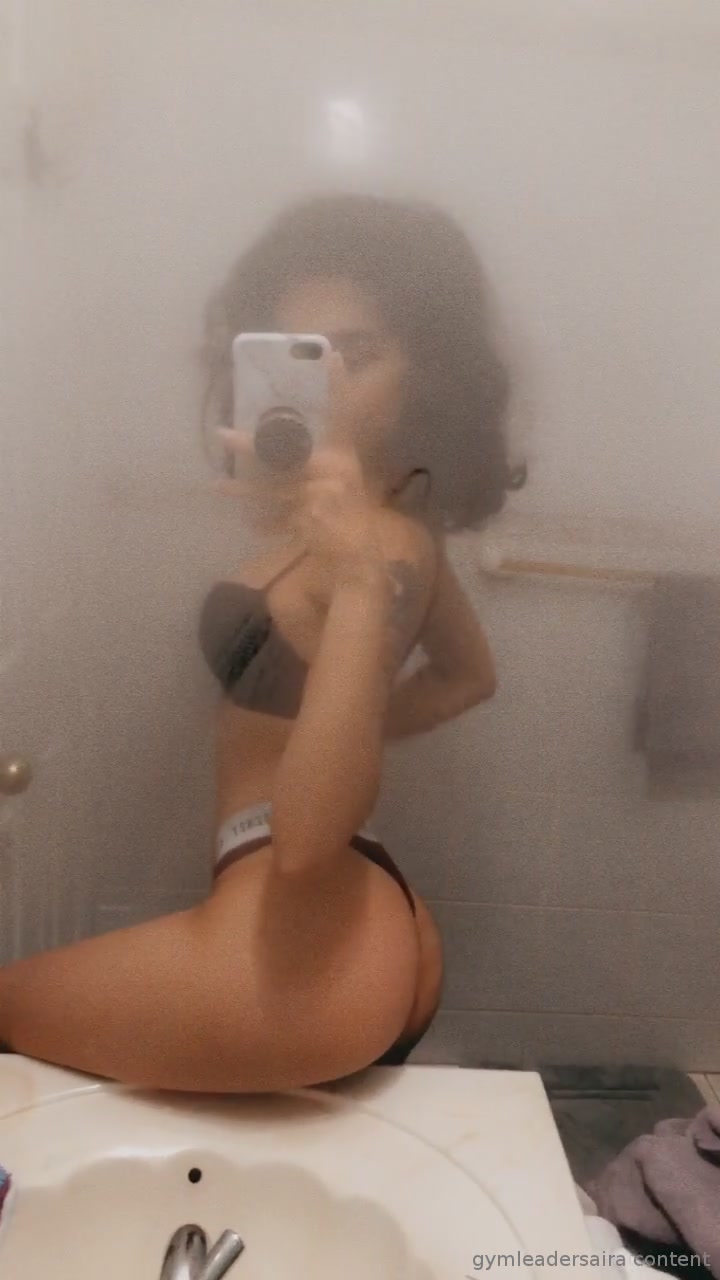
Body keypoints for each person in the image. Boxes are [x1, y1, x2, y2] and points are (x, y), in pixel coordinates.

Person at [0, 195, 523, 1091]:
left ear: (427, 374)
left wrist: (355, 594)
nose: (329, 387)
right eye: (303, 357)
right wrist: (349, 718)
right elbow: (469, 675)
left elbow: (307, 839)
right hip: (340, 919)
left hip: (304, 927)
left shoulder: (375, 549)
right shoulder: (398, 532)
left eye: (360, 355)